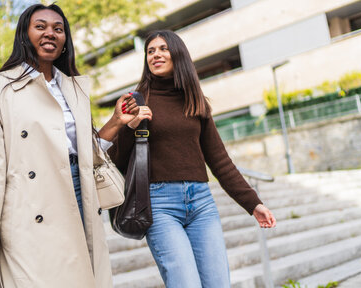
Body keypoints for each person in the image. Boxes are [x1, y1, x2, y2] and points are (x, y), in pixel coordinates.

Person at [0, 3, 138, 287]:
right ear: (24, 34)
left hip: (79, 193)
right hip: (28, 206)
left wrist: (117, 121)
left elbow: (85, 153)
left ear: (66, 40)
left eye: (58, 29)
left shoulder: (75, 88)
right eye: (40, 26)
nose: (50, 34)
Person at [108, 30, 276, 287]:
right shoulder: (136, 100)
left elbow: (220, 161)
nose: (156, 55)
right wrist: (131, 127)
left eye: (163, 49)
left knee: (218, 283)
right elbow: (114, 159)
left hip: (201, 204)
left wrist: (253, 203)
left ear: (178, 54)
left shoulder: (195, 100)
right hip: (159, 205)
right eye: (150, 51)